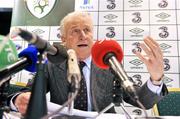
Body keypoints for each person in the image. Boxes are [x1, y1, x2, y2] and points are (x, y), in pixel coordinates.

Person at [11, 11, 167, 115]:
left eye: (87, 30)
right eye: (75, 31)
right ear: (64, 39)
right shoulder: (50, 63)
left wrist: (156, 79)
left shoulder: (109, 62)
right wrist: (18, 98)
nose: (83, 36)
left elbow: (141, 101)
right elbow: (27, 93)